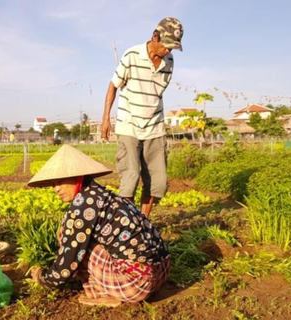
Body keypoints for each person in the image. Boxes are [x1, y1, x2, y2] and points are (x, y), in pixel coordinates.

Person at [28, 145, 170, 307]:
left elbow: (67, 262)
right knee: (80, 238)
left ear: (78, 177)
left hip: (136, 285)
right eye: (53, 184)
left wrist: (44, 277)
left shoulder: (82, 207)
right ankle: (111, 287)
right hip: (162, 273)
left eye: (60, 181)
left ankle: (104, 293)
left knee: (70, 239)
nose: (56, 189)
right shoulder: (103, 195)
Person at [100, 17, 184, 219]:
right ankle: (126, 223)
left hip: (155, 126)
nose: (168, 51)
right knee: (131, 176)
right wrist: (106, 118)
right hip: (129, 124)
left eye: (172, 48)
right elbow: (113, 85)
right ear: (155, 36)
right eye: (166, 46)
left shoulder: (169, 62)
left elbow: (157, 92)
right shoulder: (132, 55)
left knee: (158, 181)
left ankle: (142, 223)